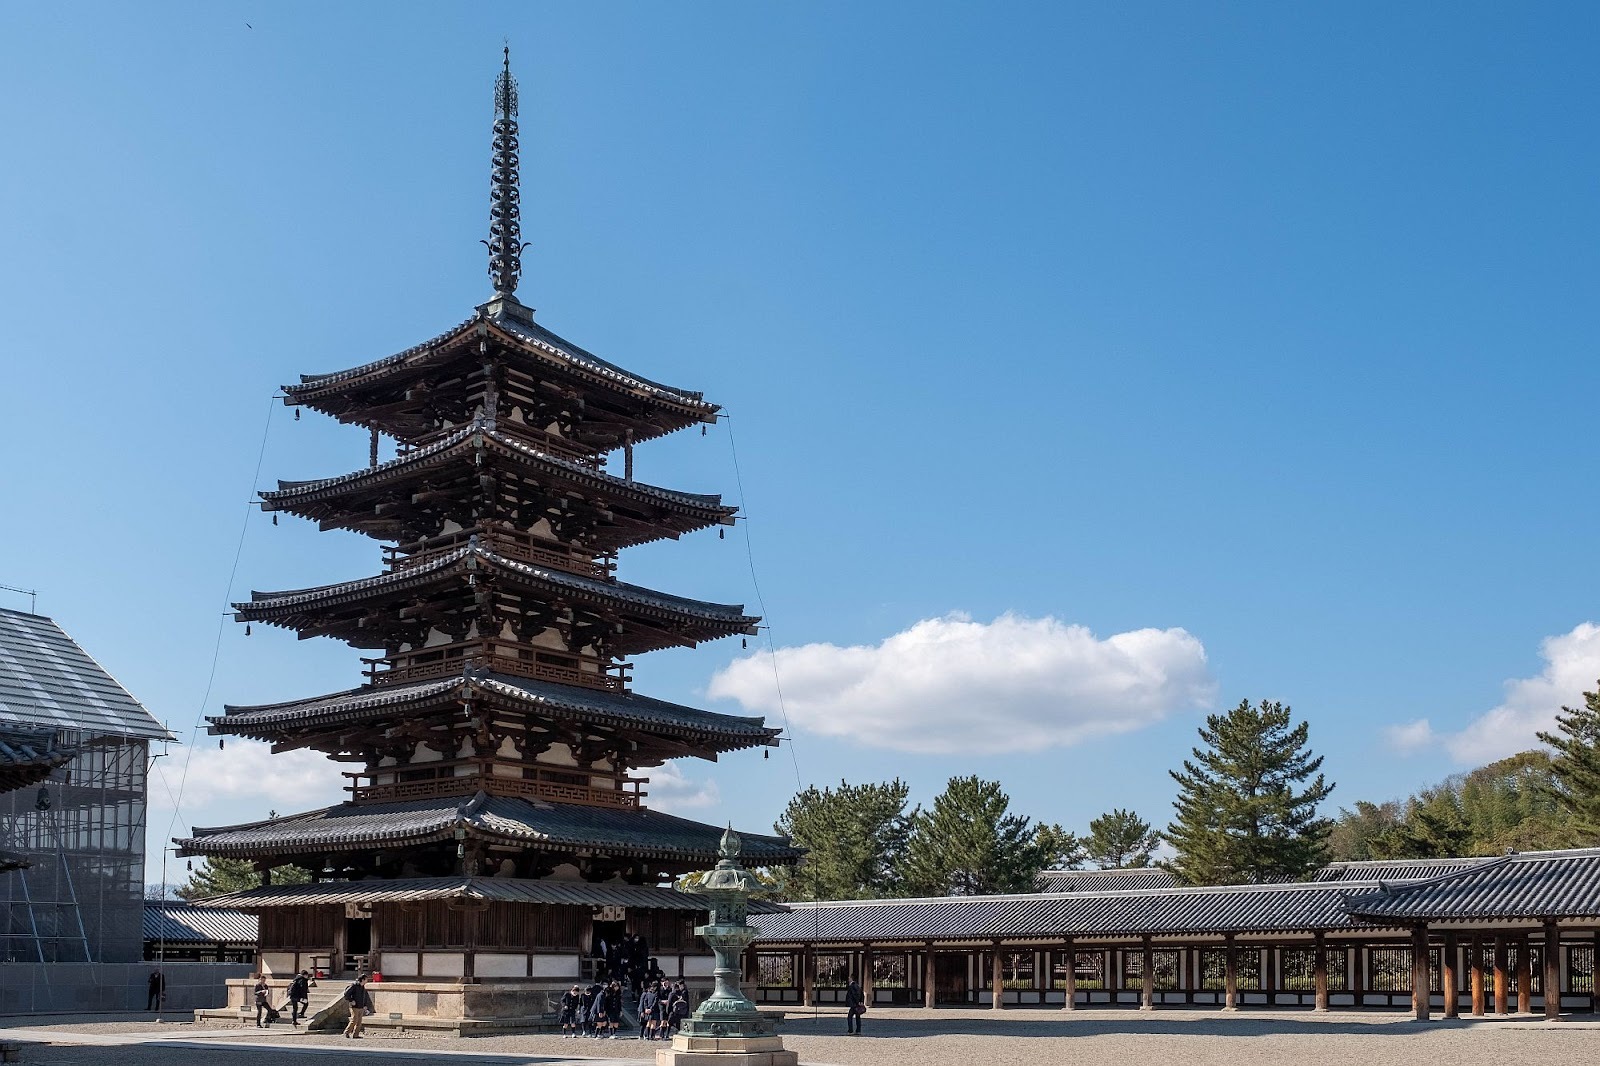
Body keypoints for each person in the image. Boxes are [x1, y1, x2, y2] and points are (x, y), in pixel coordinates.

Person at [343, 973, 373, 1039]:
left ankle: (356, 1034)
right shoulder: (354, 985)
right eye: (366, 979)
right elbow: (346, 994)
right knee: (354, 1020)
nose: (367, 981)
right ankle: (347, 1032)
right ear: (363, 979)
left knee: (359, 1021)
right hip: (354, 1006)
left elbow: (364, 997)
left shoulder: (363, 987)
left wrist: (364, 1005)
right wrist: (351, 1000)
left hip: (361, 1006)